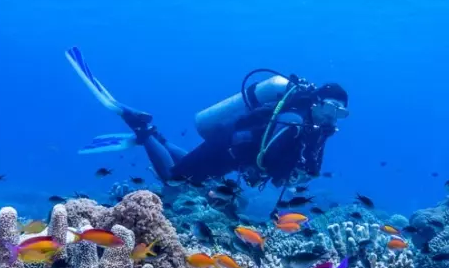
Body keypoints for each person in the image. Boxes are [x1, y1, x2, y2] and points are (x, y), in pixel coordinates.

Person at [66, 47, 349, 190]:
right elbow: (267, 154)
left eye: (341, 113)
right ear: (318, 102)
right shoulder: (295, 120)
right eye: (332, 108)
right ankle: (143, 128)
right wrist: (278, 174)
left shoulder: (316, 128)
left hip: (233, 152)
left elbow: (309, 163)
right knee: (174, 179)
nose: (334, 116)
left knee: (191, 172)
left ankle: (158, 137)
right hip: (228, 146)